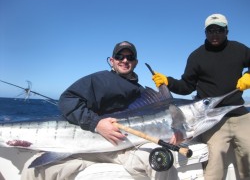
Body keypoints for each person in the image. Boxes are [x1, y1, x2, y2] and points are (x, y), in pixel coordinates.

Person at [21, 41, 179, 180]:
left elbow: (158, 124)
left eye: (129, 58)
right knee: (33, 168)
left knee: (164, 163)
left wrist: (176, 134)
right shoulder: (98, 80)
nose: (125, 60)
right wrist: (96, 123)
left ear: (135, 62)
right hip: (86, 146)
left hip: (127, 149)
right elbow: (67, 100)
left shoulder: (141, 92)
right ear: (112, 61)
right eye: (119, 57)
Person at [152, 13, 250, 180]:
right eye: (210, 30)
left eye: (219, 30)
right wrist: (168, 81)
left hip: (240, 113)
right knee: (215, 158)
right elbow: (186, 86)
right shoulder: (197, 56)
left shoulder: (239, 49)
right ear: (205, 32)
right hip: (211, 118)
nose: (214, 34)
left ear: (227, 31)